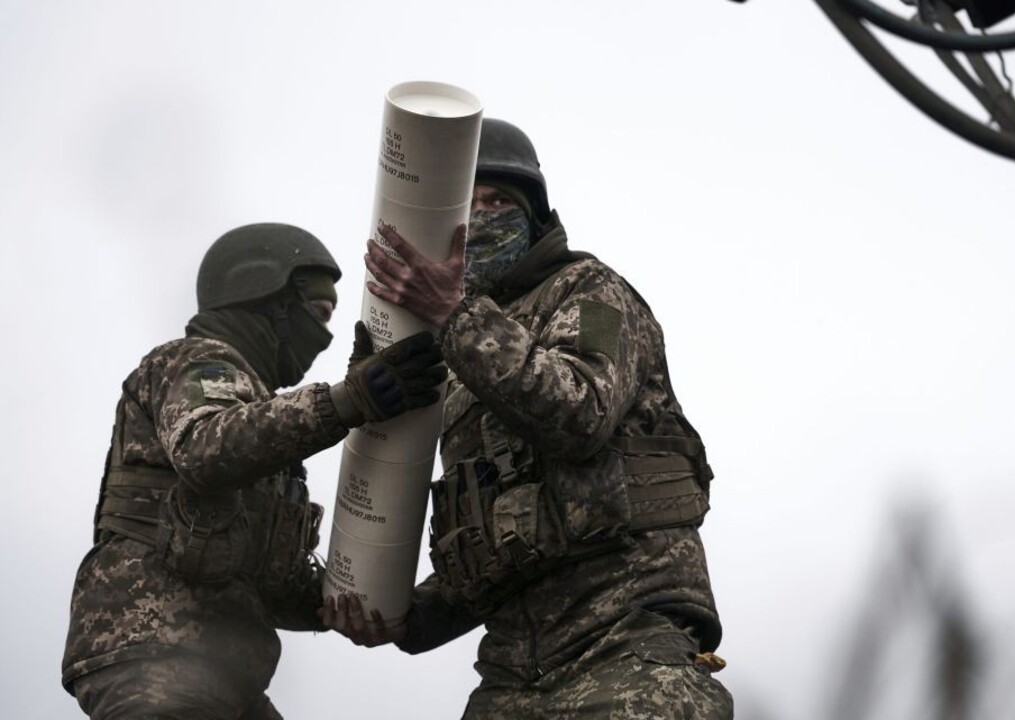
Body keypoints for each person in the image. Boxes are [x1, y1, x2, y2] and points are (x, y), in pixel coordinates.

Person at [322, 119, 733, 718]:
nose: (483, 216)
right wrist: (406, 617)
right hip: (511, 675)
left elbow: (582, 410)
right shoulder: (458, 359)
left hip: (626, 648)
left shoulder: (594, 294)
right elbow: (503, 535)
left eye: (500, 203)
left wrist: (455, 315)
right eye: (470, 205)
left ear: (534, 217)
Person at [61, 222, 447, 720]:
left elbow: (272, 581)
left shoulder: (259, 415)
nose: (325, 336)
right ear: (268, 299)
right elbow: (205, 448)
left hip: (223, 668)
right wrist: (349, 400)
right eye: (318, 313)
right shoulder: (198, 361)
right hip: (154, 652)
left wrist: (354, 602)